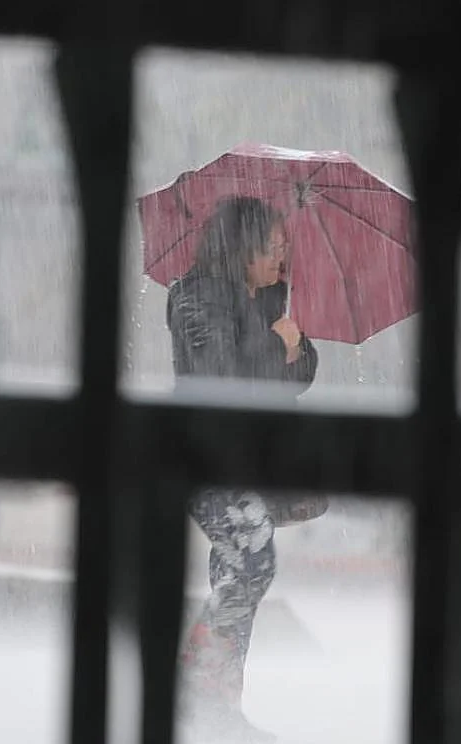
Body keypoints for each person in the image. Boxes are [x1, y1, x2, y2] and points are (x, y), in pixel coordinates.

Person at [166, 195, 327, 742]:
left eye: (285, 250)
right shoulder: (192, 295)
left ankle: (215, 706)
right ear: (241, 251)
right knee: (253, 561)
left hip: (249, 461)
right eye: (273, 251)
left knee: (234, 574)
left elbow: (301, 371)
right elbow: (222, 370)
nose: (283, 262)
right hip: (205, 459)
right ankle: (189, 682)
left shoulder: (272, 298)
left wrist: (289, 342)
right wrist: (274, 344)